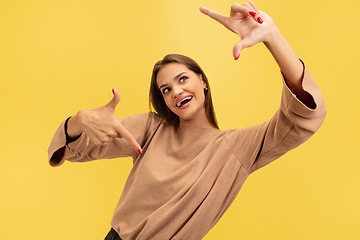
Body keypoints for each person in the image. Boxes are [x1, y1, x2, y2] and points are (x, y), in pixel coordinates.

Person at [47, 1, 326, 240]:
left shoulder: (235, 149)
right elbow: (78, 148)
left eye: (182, 79)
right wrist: (79, 121)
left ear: (203, 82)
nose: (176, 91)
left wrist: (272, 37)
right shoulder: (150, 129)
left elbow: (301, 119)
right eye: (165, 89)